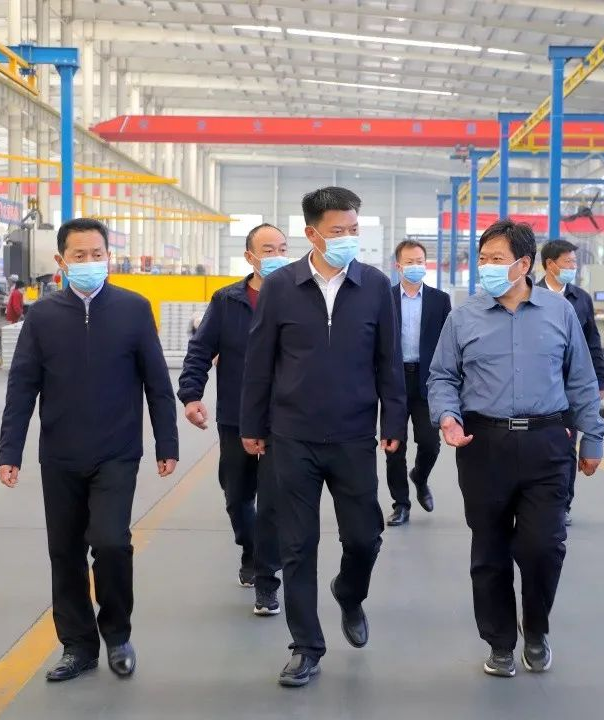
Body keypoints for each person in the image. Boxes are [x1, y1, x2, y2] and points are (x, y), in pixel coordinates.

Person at [0, 217, 179, 683]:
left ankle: (117, 635)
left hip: (117, 451)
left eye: (97, 254)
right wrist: (9, 451)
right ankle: (77, 646)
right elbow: (22, 386)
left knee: (112, 543)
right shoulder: (42, 316)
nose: (90, 262)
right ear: (61, 261)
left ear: (108, 257)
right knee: (65, 552)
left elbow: (157, 382)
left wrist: (167, 441)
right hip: (60, 454)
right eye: (80, 255)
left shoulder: (134, 309)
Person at [240, 186, 405, 688]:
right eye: (339, 230)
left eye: (354, 229)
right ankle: (306, 647)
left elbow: (389, 361)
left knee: (364, 537)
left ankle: (349, 594)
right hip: (292, 437)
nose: (349, 237)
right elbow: (259, 361)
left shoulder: (375, 286)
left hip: (354, 435)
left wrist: (393, 423)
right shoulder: (280, 287)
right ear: (312, 234)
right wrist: (251, 425)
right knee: (297, 545)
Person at [428, 219, 604, 679]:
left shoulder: (559, 312)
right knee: (489, 550)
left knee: (543, 546)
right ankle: (500, 641)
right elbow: (442, 376)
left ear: (524, 264)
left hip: (548, 441)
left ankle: (537, 629)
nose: (487, 267)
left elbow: (581, 379)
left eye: (497, 259)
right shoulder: (463, 317)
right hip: (483, 444)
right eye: (483, 259)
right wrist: (447, 416)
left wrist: (593, 437)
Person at [177, 223, 289, 616]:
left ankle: (266, 579)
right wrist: (191, 395)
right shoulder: (228, 301)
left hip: (285, 418)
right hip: (237, 416)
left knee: (273, 501)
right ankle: (250, 547)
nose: (277, 256)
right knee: (237, 495)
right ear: (249, 257)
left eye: (282, 248)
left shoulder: (300, 297)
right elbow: (200, 350)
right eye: (268, 249)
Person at [536, 239, 604, 526]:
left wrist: (599, 380)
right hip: (542, 385)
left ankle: (562, 504)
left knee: (567, 447)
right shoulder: (531, 295)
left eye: (574, 263)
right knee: (543, 446)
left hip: (573, 386)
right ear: (550, 264)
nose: (572, 267)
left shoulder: (581, 299)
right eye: (568, 262)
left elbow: (592, 343)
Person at [385, 239, 452, 527]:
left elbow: (449, 343)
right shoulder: (385, 298)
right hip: (394, 381)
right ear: (398, 266)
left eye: (420, 261)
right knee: (394, 447)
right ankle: (401, 504)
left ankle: (420, 477)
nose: (416, 266)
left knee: (430, 443)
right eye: (410, 262)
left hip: (428, 381)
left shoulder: (440, 300)